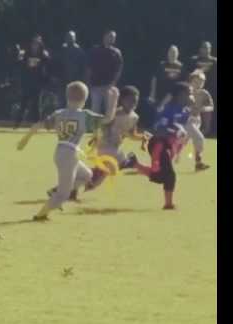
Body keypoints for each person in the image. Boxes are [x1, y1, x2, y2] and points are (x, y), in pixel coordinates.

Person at [16, 82, 119, 221]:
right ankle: (41, 215)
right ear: (84, 100)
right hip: (70, 154)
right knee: (63, 195)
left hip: (61, 151)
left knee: (87, 175)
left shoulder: (58, 113)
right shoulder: (85, 115)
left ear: (67, 97)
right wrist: (113, 101)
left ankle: (55, 192)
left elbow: (38, 125)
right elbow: (107, 119)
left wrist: (25, 140)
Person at [85, 86, 150, 191]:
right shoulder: (114, 114)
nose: (133, 103)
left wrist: (142, 138)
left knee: (103, 173)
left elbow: (132, 134)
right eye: (130, 100)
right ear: (122, 100)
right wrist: (95, 137)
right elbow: (103, 125)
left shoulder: (134, 117)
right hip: (105, 145)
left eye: (135, 101)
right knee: (120, 161)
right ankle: (130, 162)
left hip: (115, 147)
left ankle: (81, 182)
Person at [127, 123, 187, 210]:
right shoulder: (162, 141)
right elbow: (157, 149)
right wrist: (155, 162)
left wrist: (177, 154)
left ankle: (133, 163)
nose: (179, 140)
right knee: (165, 175)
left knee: (167, 176)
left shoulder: (174, 140)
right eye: (177, 138)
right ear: (171, 136)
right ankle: (168, 204)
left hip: (158, 146)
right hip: (155, 146)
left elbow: (178, 145)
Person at [177, 70, 214, 171]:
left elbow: (211, 107)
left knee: (182, 142)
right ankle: (198, 162)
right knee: (199, 139)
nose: (199, 83)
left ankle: (198, 163)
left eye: (201, 81)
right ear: (191, 80)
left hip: (196, 120)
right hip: (185, 120)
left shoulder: (204, 93)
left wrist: (203, 109)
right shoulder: (185, 90)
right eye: (196, 81)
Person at [14, 35, 50, 128]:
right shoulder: (26, 53)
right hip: (27, 82)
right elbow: (20, 65)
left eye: (37, 43)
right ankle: (17, 124)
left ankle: (37, 124)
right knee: (23, 103)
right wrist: (19, 57)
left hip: (38, 82)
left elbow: (48, 66)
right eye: (34, 43)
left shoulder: (43, 55)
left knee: (37, 104)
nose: (35, 45)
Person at [86, 30, 124, 114]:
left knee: (109, 110)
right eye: (110, 36)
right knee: (95, 109)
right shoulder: (95, 50)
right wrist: (88, 83)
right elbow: (89, 68)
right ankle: (93, 127)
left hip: (109, 86)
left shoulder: (116, 52)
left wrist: (113, 83)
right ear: (104, 37)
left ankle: (107, 127)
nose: (111, 39)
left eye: (113, 38)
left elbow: (119, 69)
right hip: (96, 85)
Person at [188, 41, 217, 136]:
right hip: (197, 92)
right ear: (200, 49)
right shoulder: (194, 60)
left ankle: (209, 132)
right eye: (204, 48)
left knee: (210, 112)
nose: (205, 50)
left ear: (210, 50)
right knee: (194, 112)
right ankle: (192, 132)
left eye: (207, 48)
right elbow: (189, 75)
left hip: (212, 91)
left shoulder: (214, 61)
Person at [148, 45, 184, 113]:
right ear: (167, 54)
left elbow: (182, 82)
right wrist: (152, 93)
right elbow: (154, 78)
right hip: (160, 95)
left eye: (174, 53)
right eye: (171, 53)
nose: (172, 55)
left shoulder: (181, 67)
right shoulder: (162, 65)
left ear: (177, 54)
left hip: (174, 97)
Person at [58, 31, 86, 106]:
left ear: (75, 38)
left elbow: (83, 67)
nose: (69, 39)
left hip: (75, 80)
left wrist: (82, 79)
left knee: (74, 101)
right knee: (62, 102)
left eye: (71, 37)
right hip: (63, 80)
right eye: (68, 37)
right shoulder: (62, 50)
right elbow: (57, 63)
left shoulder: (79, 51)